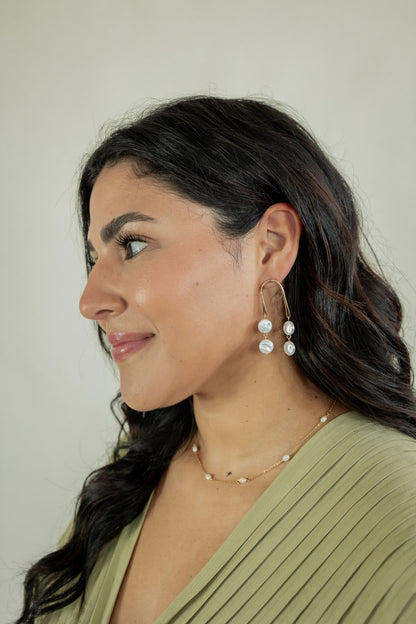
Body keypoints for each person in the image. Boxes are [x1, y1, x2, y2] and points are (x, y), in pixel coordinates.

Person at [17, 96, 416, 624]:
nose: (90, 301)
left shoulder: (400, 519)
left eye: (132, 245)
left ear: (271, 245)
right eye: (94, 259)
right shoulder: (127, 481)